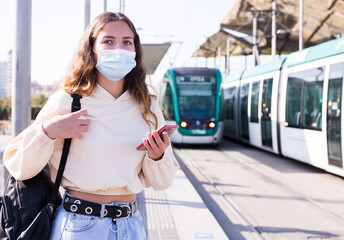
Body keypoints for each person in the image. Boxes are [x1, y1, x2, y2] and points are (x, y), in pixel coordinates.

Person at [3, 12, 179, 240]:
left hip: (131, 226)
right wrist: (48, 132)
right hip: (78, 226)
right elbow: (18, 165)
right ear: (91, 49)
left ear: (135, 49)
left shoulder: (148, 104)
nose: (119, 48)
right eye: (108, 41)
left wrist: (157, 156)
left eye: (127, 41)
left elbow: (163, 182)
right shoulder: (69, 100)